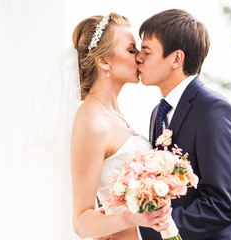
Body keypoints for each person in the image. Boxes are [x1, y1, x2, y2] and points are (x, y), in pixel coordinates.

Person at [136, 9, 231, 239]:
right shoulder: (157, 114)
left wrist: (146, 229)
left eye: (146, 51)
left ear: (176, 58)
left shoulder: (213, 110)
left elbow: (222, 205)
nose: (138, 58)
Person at [69, 13, 172, 240]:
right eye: (131, 49)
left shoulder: (115, 114)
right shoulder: (92, 121)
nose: (139, 57)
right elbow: (81, 221)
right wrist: (131, 218)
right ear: (104, 61)